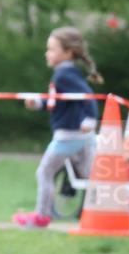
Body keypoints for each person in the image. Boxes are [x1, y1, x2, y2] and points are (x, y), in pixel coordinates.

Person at [13, 27, 100, 229]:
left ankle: (42, 216)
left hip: (68, 137)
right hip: (79, 137)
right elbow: (59, 102)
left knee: (44, 172)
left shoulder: (64, 75)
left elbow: (88, 98)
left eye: (52, 49)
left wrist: (90, 119)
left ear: (67, 53)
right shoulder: (65, 74)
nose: (47, 53)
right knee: (94, 177)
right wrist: (38, 103)